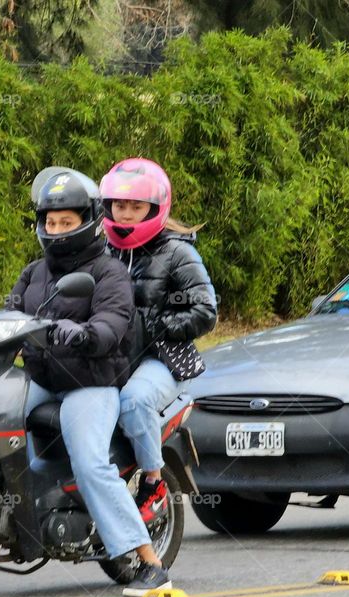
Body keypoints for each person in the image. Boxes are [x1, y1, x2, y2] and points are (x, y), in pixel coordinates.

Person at [7, 167, 171, 597]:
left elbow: (113, 323)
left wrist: (83, 333)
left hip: (90, 381)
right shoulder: (32, 273)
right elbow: (11, 314)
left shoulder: (109, 272)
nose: (56, 229)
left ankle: (147, 560)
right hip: (42, 376)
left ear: (88, 220)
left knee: (90, 462)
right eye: (50, 221)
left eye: (67, 221)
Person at [100, 158, 217, 570]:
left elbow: (206, 311)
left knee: (133, 402)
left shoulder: (176, 252)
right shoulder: (101, 248)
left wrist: (157, 325)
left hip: (163, 359)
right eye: (119, 205)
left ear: (155, 208)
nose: (126, 213)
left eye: (135, 207)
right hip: (111, 356)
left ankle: (152, 482)